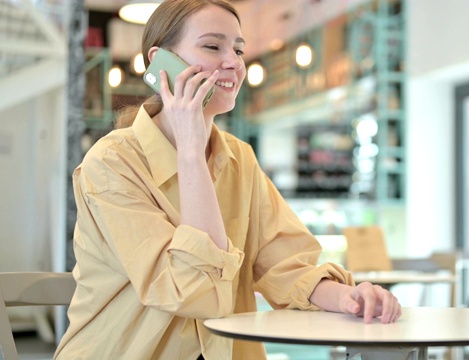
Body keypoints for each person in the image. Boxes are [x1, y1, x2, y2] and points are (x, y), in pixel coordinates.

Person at [54, 0, 401, 359]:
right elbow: (190, 292)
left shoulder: (240, 159)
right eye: (212, 46)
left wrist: (348, 297)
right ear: (160, 63)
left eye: (238, 49)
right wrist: (190, 151)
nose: (234, 62)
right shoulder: (112, 163)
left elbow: (285, 263)